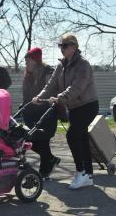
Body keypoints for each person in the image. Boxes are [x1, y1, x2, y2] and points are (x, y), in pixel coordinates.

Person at [33, 34, 98, 189]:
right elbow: (51, 84)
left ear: (74, 46)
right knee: (81, 138)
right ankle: (88, 175)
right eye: (60, 46)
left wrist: (60, 98)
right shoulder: (61, 66)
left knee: (72, 135)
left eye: (65, 45)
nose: (62, 49)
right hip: (74, 106)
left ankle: (81, 172)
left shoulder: (83, 65)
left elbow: (77, 87)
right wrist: (39, 96)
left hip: (88, 105)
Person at [21, 47, 60, 180]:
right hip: (30, 113)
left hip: (45, 112)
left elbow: (52, 89)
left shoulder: (48, 71)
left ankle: (44, 173)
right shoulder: (27, 74)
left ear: (36, 61)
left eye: (28, 61)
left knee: (42, 141)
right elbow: (26, 93)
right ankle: (50, 161)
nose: (26, 64)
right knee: (31, 140)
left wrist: (43, 100)